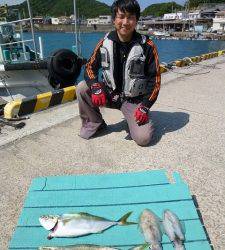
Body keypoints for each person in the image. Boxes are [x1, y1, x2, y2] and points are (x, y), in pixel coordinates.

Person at [76, 0, 161, 146]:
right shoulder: (105, 41)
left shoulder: (147, 46)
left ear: (136, 20)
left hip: (134, 100)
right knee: (83, 88)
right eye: (121, 16)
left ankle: (138, 117)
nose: (125, 22)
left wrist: (145, 105)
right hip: (110, 94)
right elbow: (90, 67)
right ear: (114, 19)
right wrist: (95, 86)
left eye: (130, 17)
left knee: (143, 139)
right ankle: (96, 123)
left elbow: (155, 81)